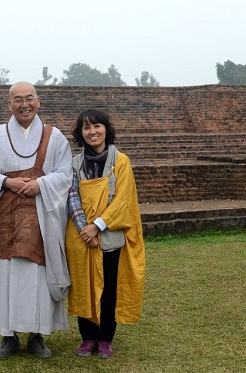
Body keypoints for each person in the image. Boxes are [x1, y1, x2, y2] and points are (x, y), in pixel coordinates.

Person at [0, 81, 72, 359]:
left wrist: (41, 185)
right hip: (3, 220)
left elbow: (65, 174)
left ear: (38, 102)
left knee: (36, 276)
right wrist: (7, 181)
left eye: (29, 99)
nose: (24, 104)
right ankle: (8, 336)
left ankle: (37, 335)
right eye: (18, 100)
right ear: (9, 104)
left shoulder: (55, 137)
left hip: (40, 220)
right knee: (4, 273)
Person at [66, 108, 145, 359]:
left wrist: (98, 225)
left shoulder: (120, 161)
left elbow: (123, 200)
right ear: (81, 133)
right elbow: (71, 197)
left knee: (109, 289)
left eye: (97, 126)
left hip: (109, 235)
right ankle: (88, 337)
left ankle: (106, 338)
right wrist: (84, 228)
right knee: (83, 286)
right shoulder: (75, 164)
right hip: (82, 237)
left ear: (106, 129)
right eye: (86, 128)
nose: (92, 132)